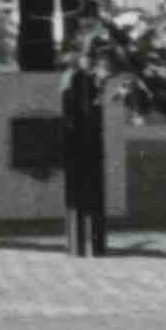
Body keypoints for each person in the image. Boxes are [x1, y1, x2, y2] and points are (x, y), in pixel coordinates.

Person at [59, 36, 113, 260]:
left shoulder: (94, 78)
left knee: (93, 194)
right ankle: (79, 246)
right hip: (77, 142)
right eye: (86, 55)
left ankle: (95, 245)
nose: (89, 60)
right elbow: (68, 109)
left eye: (92, 56)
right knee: (79, 197)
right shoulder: (71, 78)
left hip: (92, 143)